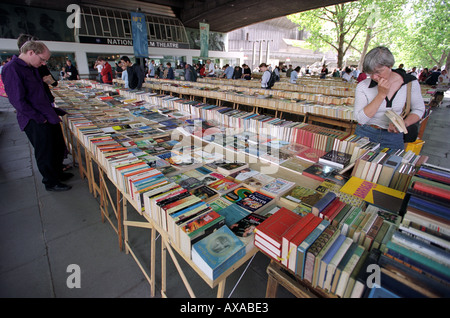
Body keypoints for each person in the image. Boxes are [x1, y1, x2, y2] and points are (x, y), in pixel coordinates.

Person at [2, 41, 72, 191]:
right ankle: (51, 182)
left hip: (46, 114)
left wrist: (54, 111)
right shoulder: (12, 69)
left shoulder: (31, 67)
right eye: (42, 59)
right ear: (31, 52)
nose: (43, 63)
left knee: (56, 146)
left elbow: (40, 93)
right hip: (35, 119)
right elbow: (18, 100)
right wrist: (40, 118)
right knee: (45, 151)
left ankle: (58, 173)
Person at [354, 46, 425, 150]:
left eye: (378, 71)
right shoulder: (363, 86)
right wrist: (381, 95)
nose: (374, 77)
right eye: (370, 73)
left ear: (390, 66)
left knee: (392, 165)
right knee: (360, 164)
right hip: (366, 132)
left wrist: (402, 123)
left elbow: (419, 109)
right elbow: (361, 119)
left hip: (394, 136)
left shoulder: (410, 83)